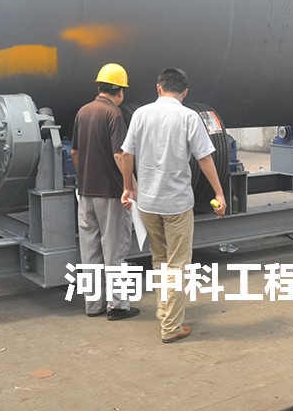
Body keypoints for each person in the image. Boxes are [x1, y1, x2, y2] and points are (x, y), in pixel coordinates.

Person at [119, 67, 226, 343]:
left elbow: (126, 154)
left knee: (160, 259)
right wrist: (219, 192)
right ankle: (171, 327)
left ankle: (165, 310)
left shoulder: (141, 114)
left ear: (158, 87)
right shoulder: (189, 117)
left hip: (148, 203)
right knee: (178, 266)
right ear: (185, 92)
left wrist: (128, 187)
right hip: (177, 204)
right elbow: (204, 158)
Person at [71, 63, 140, 321]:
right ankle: (118, 306)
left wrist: (85, 177)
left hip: (85, 193)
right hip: (110, 193)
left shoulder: (83, 112)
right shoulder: (113, 114)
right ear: (120, 91)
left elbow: (75, 152)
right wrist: (129, 186)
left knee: (90, 251)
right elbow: (120, 155)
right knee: (114, 249)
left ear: (99, 87)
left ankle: (93, 305)